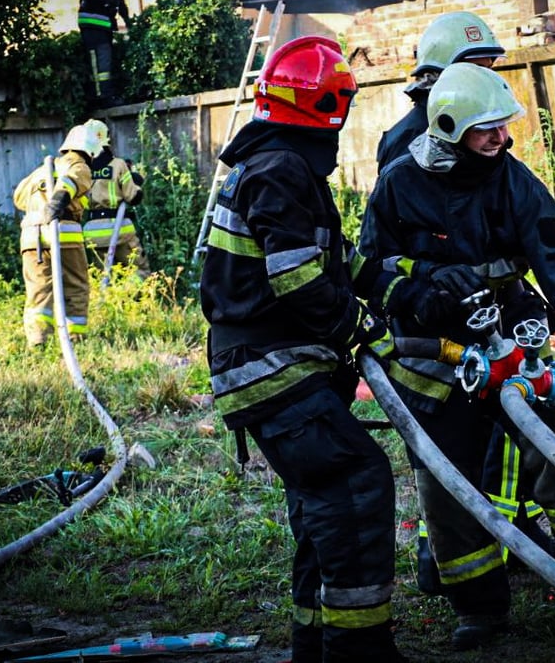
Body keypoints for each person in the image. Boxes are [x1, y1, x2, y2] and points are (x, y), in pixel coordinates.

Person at [359, 62, 555, 650]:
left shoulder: (513, 181)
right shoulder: (399, 182)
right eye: (487, 128)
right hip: (432, 358)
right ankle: (480, 610)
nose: (502, 138)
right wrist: (417, 290)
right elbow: (367, 267)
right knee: (447, 481)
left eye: (504, 127)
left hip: (510, 344)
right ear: (450, 124)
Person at [198, 36, 450, 663]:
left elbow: (337, 264)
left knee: (324, 503)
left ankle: (314, 644)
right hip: (272, 369)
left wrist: (408, 291)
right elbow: (297, 279)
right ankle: (358, 650)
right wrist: (358, 329)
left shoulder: (279, 163)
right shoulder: (281, 170)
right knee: (353, 482)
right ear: (331, 108)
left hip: (275, 366)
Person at [377, 10, 549, 596]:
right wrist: (432, 286)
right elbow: (399, 244)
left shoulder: (485, 138)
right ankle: (445, 559)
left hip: (483, 319)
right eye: (476, 69)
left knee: (496, 437)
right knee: (446, 449)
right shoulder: (409, 146)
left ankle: (501, 540)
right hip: (436, 330)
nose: (489, 83)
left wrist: (517, 292)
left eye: (491, 69)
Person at [375, 10, 505, 171]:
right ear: (437, 76)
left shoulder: (476, 129)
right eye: (473, 70)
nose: (485, 80)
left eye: (488, 70)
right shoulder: (410, 139)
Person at [13, 121, 100, 346]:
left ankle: (38, 341)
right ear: (91, 150)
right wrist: (57, 203)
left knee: (39, 289)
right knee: (75, 285)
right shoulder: (79, 165)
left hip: (32, 237)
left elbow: (19, 198)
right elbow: (71, 184)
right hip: (63, 234)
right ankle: (75, 338)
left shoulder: (41, 171)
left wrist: (41, 202)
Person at [79, 119, 151, 280]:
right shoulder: (118, 165)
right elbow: (133, 197)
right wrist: (136, 181)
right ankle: (136, 299)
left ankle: (109, 302)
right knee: (139, 270)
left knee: (103, 276)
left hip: (92, 233)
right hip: (119, 230)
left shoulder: (81, 169)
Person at [70, 0, 129, 108]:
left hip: (105, 23)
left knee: (106, 61)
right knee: (99, 61)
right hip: (91, 22)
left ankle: (106, 94)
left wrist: (126, 17)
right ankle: (100, 97)